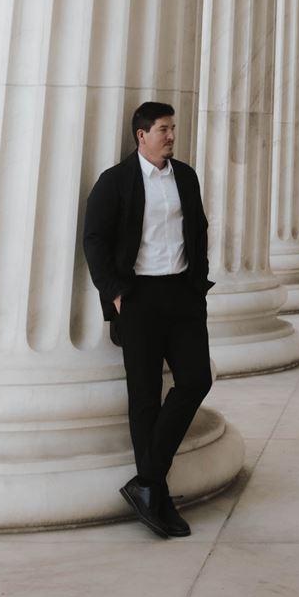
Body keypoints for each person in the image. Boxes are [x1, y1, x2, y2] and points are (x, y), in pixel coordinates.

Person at [82, 100, 214, 539]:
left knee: (197, 379)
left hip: (181, 294)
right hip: (138, 298)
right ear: (142, 135)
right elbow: (95, 238)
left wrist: (199, 281)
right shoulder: (116, 181)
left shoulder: (186, 176)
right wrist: (114, 292)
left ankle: (147, 480)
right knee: (144, 395)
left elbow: (198, 229)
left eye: (172, 127)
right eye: (163, 128)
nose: (171, 135)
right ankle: (154, 490)